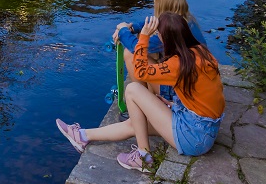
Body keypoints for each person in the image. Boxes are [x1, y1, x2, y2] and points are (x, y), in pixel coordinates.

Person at [57, 12, 225, 171]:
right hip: (201, 128)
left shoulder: (178, 64)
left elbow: (141, 72)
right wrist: (178, 104)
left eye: (158, 35)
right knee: (137, 125)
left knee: (132, 89)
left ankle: (143, 156)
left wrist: (143, 36)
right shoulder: (200, 52)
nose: (157, 37)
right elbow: (205, 94)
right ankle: (82, 136)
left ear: (166, 38)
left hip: (193, 136)